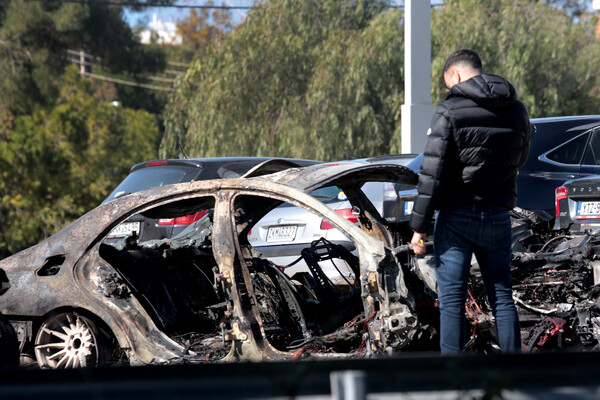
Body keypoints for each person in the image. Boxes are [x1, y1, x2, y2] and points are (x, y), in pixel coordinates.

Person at [409, 49, 530, 354]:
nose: (448, 88)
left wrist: (419, 228)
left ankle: (454, 376)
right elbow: (521, 158)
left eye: (447, 81)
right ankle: (515, 374)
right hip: (499, 217)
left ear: (456, 76)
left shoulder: (449, 111)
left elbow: (431, 173)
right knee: (502, 296)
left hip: (458, 216)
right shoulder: (517, 110)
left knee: (452, 300)